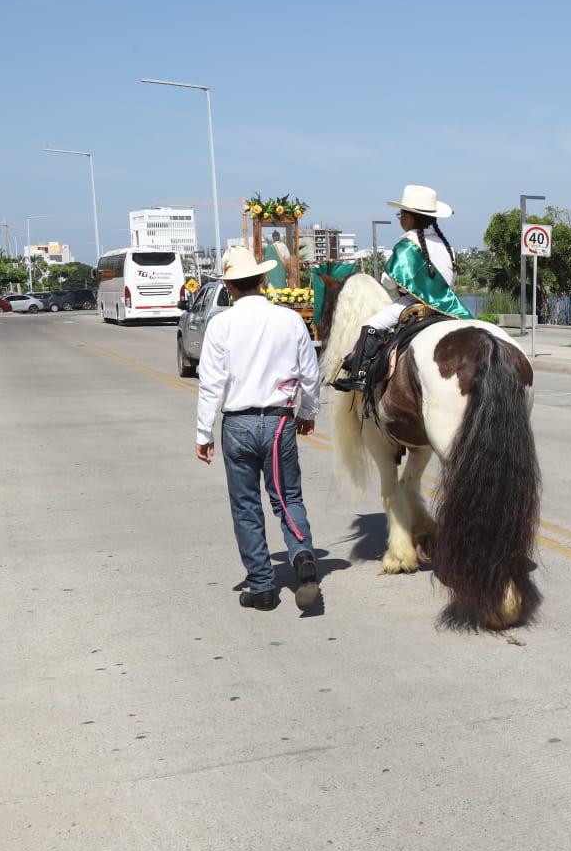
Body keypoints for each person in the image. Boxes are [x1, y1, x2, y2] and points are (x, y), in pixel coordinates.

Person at [196, 247, 323, 612]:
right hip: (280, 420)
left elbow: (211, 383)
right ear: (263, 280)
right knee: (287, 498)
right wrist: (308, 411)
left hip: (238, 423)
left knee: (246, 505)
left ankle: (262, 585)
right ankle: (302, 555)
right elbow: (309, 374)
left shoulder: (221, 324)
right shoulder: (288, 319)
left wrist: (203, 433)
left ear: (230, 287)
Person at [333, 184, 471, 393]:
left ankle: (359, 376)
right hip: (447, 308)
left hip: (411, 304)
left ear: (410, 217)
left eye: (401, 214)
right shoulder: (446, 245)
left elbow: (388, 282)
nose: (399, 218)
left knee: (371, 325)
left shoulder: (407, 243)